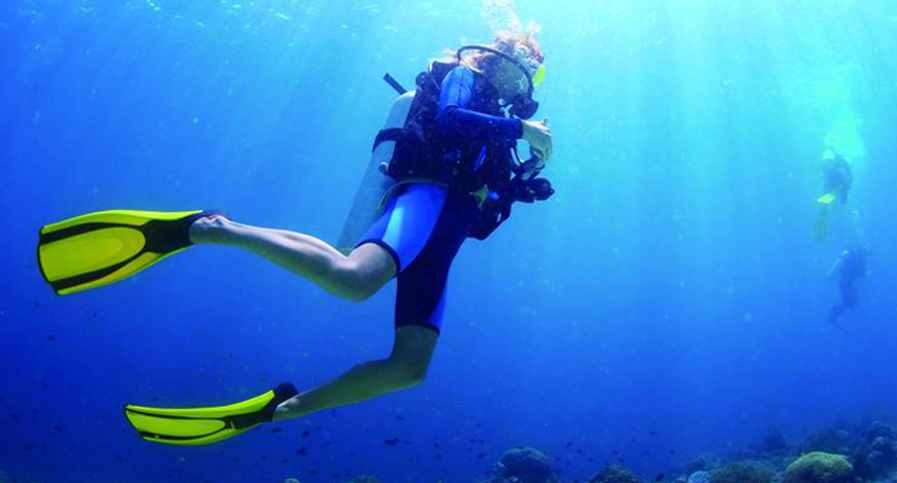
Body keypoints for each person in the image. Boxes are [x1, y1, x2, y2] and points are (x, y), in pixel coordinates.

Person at [37, 33, 553, 446]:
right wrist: (523, 132)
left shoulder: (501, 123)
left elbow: (480, 210)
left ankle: (284, 408)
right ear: (502, 56)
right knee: (353, 281)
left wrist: (520, 181)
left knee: (408, 368)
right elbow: (450, 119)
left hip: (444, 236)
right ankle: (211, 228)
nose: (525, 78)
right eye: (525, 63)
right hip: (424, 199)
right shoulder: (464, 76)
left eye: (533, 71)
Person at [815, 147, 854, 241]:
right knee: (824, 195)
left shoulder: (841, 164)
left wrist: (844, 194)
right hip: (832, 179)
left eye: (830, 162)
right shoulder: (826, 166)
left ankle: (826, 209)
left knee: (842, 181)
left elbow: (849, 178)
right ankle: (823, 212)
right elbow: (824, 178)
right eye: (826, 162)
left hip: (841, 180)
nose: (828, 164)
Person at [826, 246, 869, 325]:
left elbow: (856, 272)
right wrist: (865, 274)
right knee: (850, 303)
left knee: (852, 303)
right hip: (846, 283)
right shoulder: (853, 258)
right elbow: (857, 272)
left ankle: (833, 315)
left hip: (847, 283)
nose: (865, 256)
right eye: (864, 253)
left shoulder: (854, 258)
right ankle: (832, 315)